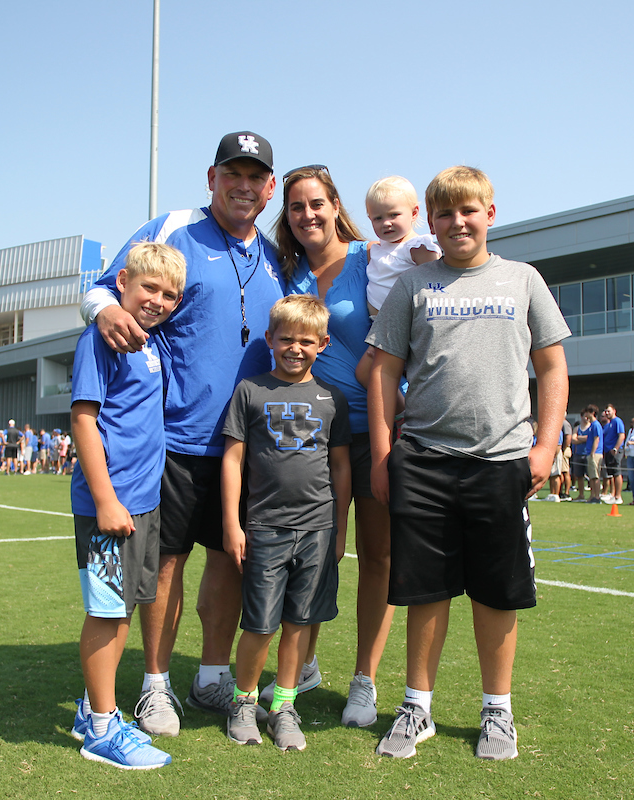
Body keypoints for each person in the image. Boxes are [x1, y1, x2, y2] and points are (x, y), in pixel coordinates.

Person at [80, 131, 284, 737]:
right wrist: (104, 310)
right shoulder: (173, 227)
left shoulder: (276, 254)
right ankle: (155, 686)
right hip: (172, 441)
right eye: (232, 174)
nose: (243, 186)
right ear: (212, 178)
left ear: (269, 187)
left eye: (255, 177)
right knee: (165, 568)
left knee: (230, 562)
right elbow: (102, 287)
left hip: (244, 448)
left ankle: (212, 676)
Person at [366, 166, 570, 761]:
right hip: (425, 461)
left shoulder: (523, 279)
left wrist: (547, 445)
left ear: (490, 213)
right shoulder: (413, 286)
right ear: (429, 221)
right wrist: (383, 454)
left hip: (503, 461)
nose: (458, 222)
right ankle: (416, 709)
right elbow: (382, 371)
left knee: (497, 594)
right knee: (424, 592)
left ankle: (496, 712)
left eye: (469, 211)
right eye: (446, 213)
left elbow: (552, 367)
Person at [277, 165, 394, 726]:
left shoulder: (372, 257)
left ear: (335, 204)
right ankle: (304, 665)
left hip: (372, 431)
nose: (308, 215)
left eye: (316, 203)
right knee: (315, 555)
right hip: (307, 438)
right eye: (297, 207)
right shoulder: (285, 269)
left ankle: (365, 682)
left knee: (378, 557)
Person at [68, 241, 185, 770]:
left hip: (143, 504)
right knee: (107, 612)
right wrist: (105, 499)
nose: (158, 300)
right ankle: (101, 730)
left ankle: (92, 707)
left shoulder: (150, 343)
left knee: (125, 609)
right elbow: (84, 420)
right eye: (149, 289)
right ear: (122, 285)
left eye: (170, 294)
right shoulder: (103, 338)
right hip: (112, 507)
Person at [220, 295, 351, 751]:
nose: (296, 348)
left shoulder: (332, 398)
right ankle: (243, 702)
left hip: (317, 529)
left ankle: (285, 706)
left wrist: (340, 526)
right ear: (269, 339)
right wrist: (232, 525)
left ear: (324, 344)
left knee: (299, 622)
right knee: (259, 624)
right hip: (265, 528)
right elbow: (233, 460)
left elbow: (340, 469)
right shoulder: (250, 391)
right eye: (287, 339)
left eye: (307, 341)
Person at [363, 176, 441, 318]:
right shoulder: (376, 249)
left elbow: (435, 284)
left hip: (407, 322)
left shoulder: (417, 247)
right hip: (378, 326)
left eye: (393, 215)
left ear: (414, 213)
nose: (386, 223)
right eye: (378, 218)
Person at [572, 405, 603, 503]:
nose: (586, 415)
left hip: (595, 453)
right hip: (590, 453)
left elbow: (596, 439)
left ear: (592, 413)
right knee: (592, 477)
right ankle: (592, 496)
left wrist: (593, 452)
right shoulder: (592, 425)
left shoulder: (596, 425)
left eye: (587, 412)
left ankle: (597, 497)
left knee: (595, 476)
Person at [601, 404, 626, 504]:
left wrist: (616, 448)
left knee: (616, 473)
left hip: (615, 451)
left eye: (609, 411)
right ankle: (613, 495)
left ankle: (618, 496)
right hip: (608, 451)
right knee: (611, 473)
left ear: (614, 411)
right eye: (606, 411)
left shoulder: (617, 421)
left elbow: (621, 436)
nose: (607, 413)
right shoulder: (610, 423)